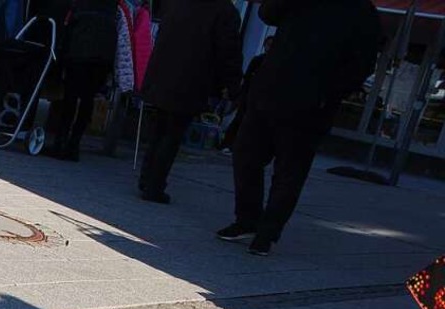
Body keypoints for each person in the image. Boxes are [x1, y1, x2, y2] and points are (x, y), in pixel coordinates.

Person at [217, 0, 380, 256]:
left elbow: (365, 61)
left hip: (311, 107)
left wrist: (329, 93)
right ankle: (247, 220)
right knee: (245, 156)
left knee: (289, 173)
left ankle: (267, 233)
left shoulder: (361, 11)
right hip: (270, 91)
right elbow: (267, 13)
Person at [137, 0, 242, 204]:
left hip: (162, 75)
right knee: (172, 134)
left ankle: (146, 179)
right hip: (191, 80)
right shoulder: (224, 11)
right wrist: (232, 86)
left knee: (159, 130)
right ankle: (154, 184)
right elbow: (228, 53)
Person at [42, 0, 119, 162]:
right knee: (87, 98)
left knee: (70, 96)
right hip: (103, 50)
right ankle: (74, 144)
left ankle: (60, 142)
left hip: (80, 44)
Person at [218, 35, 273, 153]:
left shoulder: (267, 62)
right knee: (240, 120)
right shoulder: (258, 60)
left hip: (258, 97)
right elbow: (247, 77)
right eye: (267, 45)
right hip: (249, 95)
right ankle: (228, 144)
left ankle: (235, 145)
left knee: (246, 122)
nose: (268, 48)